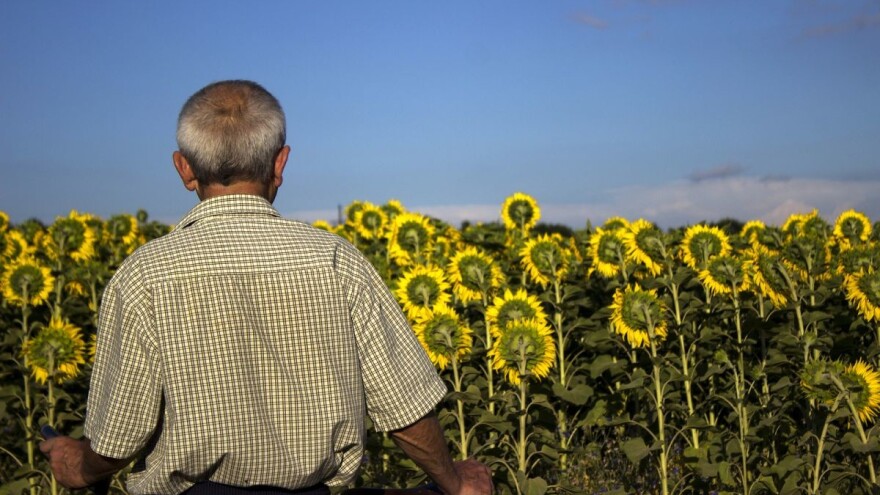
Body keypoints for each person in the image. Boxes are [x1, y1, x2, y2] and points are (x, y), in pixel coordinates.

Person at [40, 80, 493, 495]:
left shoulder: (145, 275)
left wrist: (76, 464)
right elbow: (405, 410)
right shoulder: (335, 260)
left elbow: (119, 439)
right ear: (280, 162)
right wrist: (455, 483)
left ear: (184, 169)